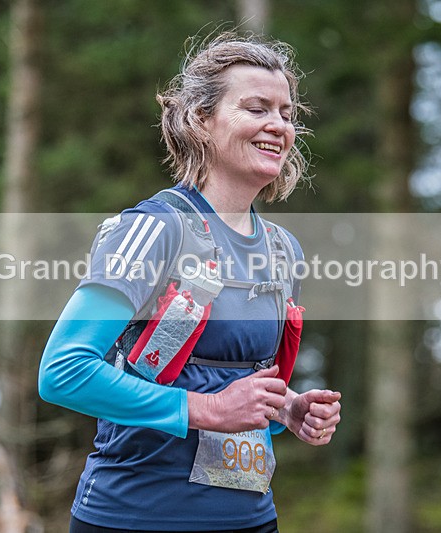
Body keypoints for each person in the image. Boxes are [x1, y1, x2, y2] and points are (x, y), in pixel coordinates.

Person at [39, 31, 342, 533]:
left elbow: (228, 376)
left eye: (286, 114)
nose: (278, 125)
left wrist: (287, 408)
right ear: (201, 120)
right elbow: (63, 372)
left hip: (251, 519)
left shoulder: (283, 250)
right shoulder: (154, 229)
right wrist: (210, 409)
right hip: (135, 518)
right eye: (257, 108)